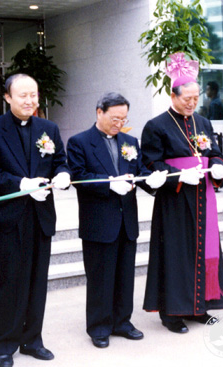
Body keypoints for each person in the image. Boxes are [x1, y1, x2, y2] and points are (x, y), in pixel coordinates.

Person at [0, 74, 70, 367]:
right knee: (10, 280)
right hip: (9, 216)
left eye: (34, 95)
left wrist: (63, 175)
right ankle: (5, 343)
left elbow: (60, 162)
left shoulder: (49, 128)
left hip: (41, 214)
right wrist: (21, 184)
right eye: (22, 96)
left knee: (37, 280)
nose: (29, 101)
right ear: (7, 98)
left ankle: (32, 339)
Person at [67, 92, 168, 348]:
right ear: (99, 112)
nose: (119, 123)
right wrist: (109, 185)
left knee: (125, 275)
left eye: (123, 118)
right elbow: (79, 176)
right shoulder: (79, 142)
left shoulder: (130, 141)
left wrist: (152, 180)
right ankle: (99, 327)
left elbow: (140, 172)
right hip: (98, 221)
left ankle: (123, 321)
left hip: (127, 221)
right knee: (100, 277)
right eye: (114, 118)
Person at [141, 53, 223, 334]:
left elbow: (215, 152)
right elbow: (150, 163)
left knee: (204, 251)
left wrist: (217, 166)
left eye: (195, 98)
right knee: (177, 254)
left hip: (203, 196)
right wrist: (178, 176)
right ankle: (172, 314)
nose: (192, 103)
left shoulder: (203, 123)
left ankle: (200, 308)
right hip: (175, 199)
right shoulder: (156, 125)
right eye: (186, 99)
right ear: (172, 95)